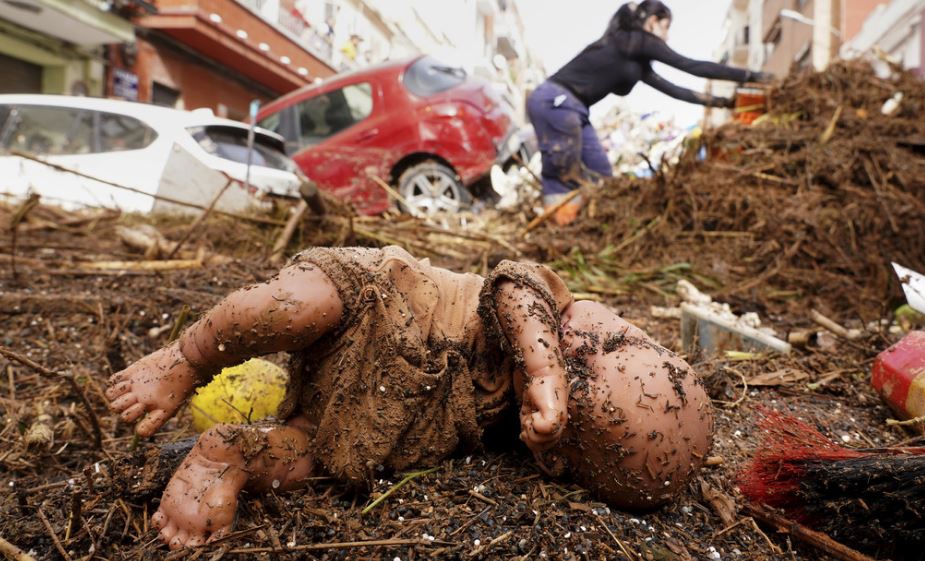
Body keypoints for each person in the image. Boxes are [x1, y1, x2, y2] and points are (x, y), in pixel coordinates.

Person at [105, 246, 714, 550]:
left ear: (554, 456)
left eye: (588, 361)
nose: (592, 336)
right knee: (290, 306)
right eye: (617, 339)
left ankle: (229, 454)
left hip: (371, 414)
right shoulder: (541, 315)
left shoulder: (520, 432)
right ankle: (186, 357)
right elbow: (513, 281)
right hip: (374, 299)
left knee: (313, 458)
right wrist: (545, 363)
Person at [527, 0, 773, 226]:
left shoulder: (637, 59)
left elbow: (675, 90)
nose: (667, 35)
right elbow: (691, 66)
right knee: (562, 169)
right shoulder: (633, 39)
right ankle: (558, 230)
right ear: (652, 22)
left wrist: (723, 103)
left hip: (576, 108)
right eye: (665, 27)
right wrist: (750, 76)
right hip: (555, 99)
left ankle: (585, 226)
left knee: (601, 173)